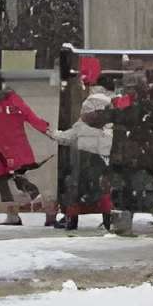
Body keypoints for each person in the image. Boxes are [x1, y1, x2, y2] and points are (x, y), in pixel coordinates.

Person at [0, 72, 52, 224]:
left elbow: (29, 115)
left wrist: (46, 129)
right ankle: (14, 214)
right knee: (2, 180)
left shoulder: (12, 100)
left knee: (17, 178)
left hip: (13, 146)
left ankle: (44, 207)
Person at [106, 68, 153, 235]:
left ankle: (129, 224)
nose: (128, 90)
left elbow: (113, 119)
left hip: (130, 155)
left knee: (129, 192)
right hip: (143, 155)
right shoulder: (149, 106)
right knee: (138, 191)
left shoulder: (125, 104)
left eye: (130, 87)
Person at [57, 85, 117, 229]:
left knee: (77, 190)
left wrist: (49, 131)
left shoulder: (98, 127)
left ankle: (73, 220)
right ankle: (106, 220)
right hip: (93, 164)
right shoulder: (105, 128)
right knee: (99, 190)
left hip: (88, 164)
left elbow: (65, 137)